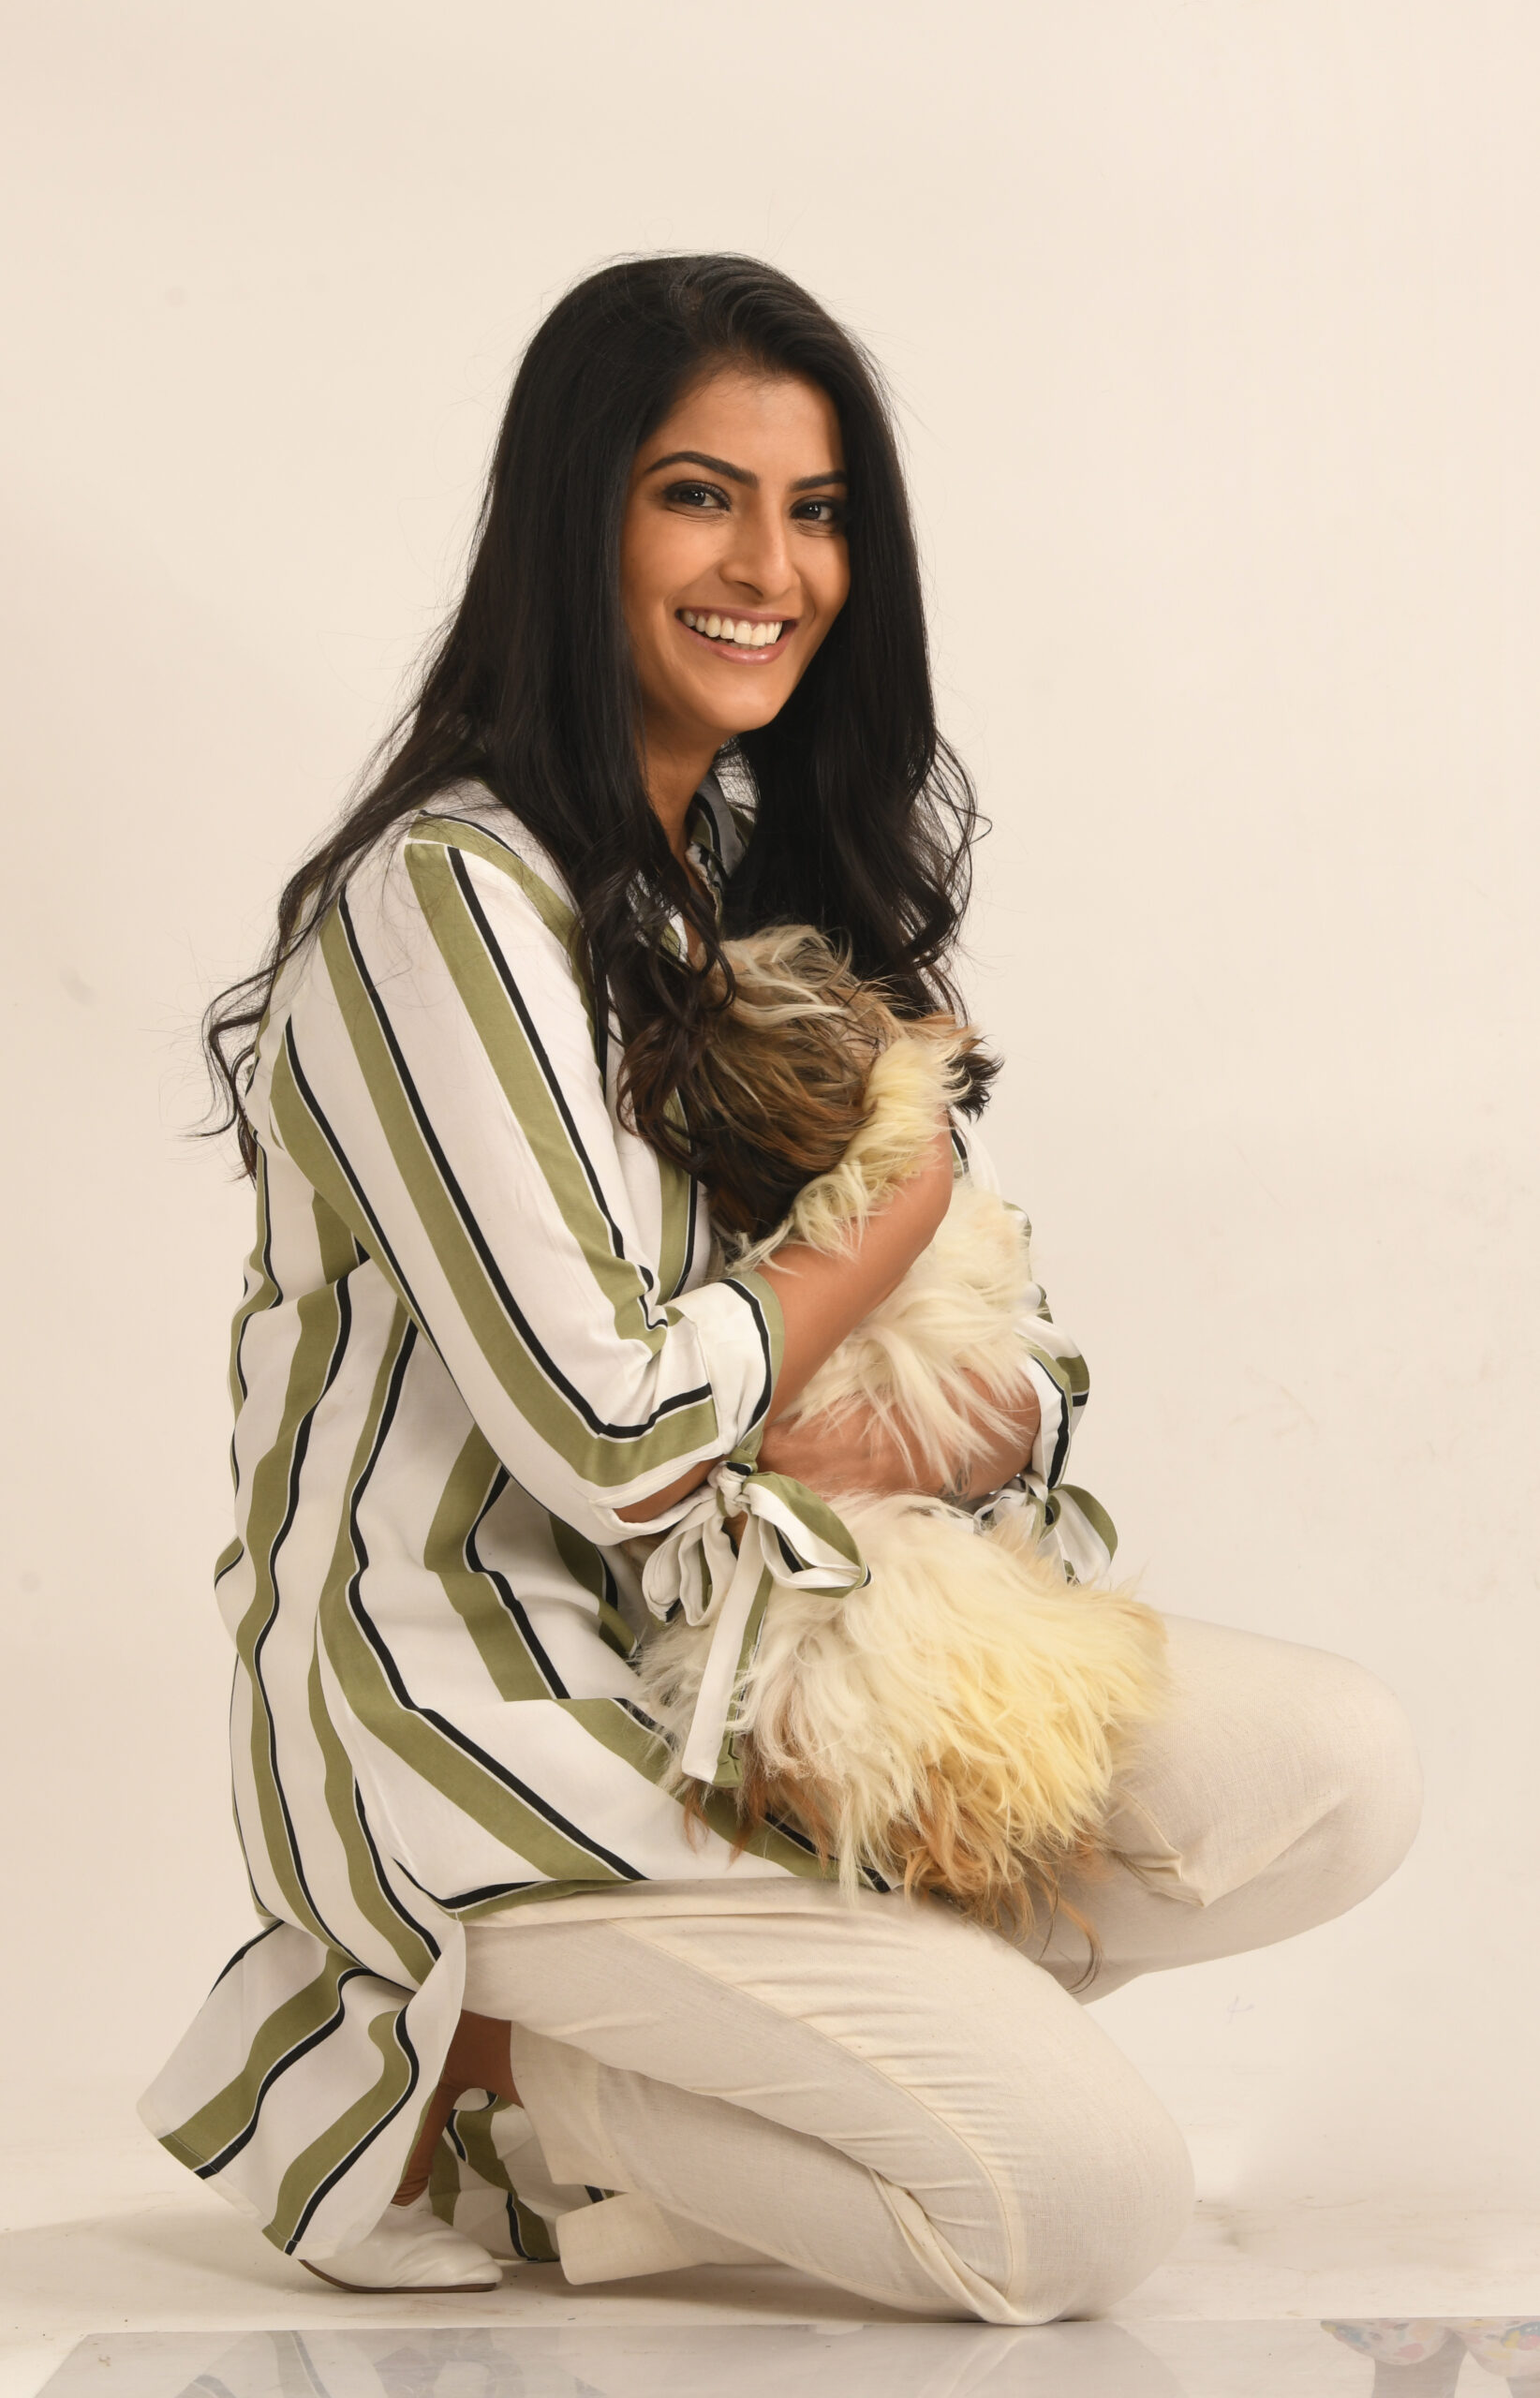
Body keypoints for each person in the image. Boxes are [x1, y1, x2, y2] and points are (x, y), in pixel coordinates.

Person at [141, 254, 1422, 2321]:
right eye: (697, 497)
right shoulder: (444, 901)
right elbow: (622, 1437)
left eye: (815, 510)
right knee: (1080, 2208)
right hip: (492, 1732)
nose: (770, 567)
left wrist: (900, 1393)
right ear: (578, 523)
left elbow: (1005, 1383)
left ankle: (714, 2055)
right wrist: (879, 1230)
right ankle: (489, 2078)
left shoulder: (733, 870)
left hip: (754, 1679)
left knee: (1340, 1773)